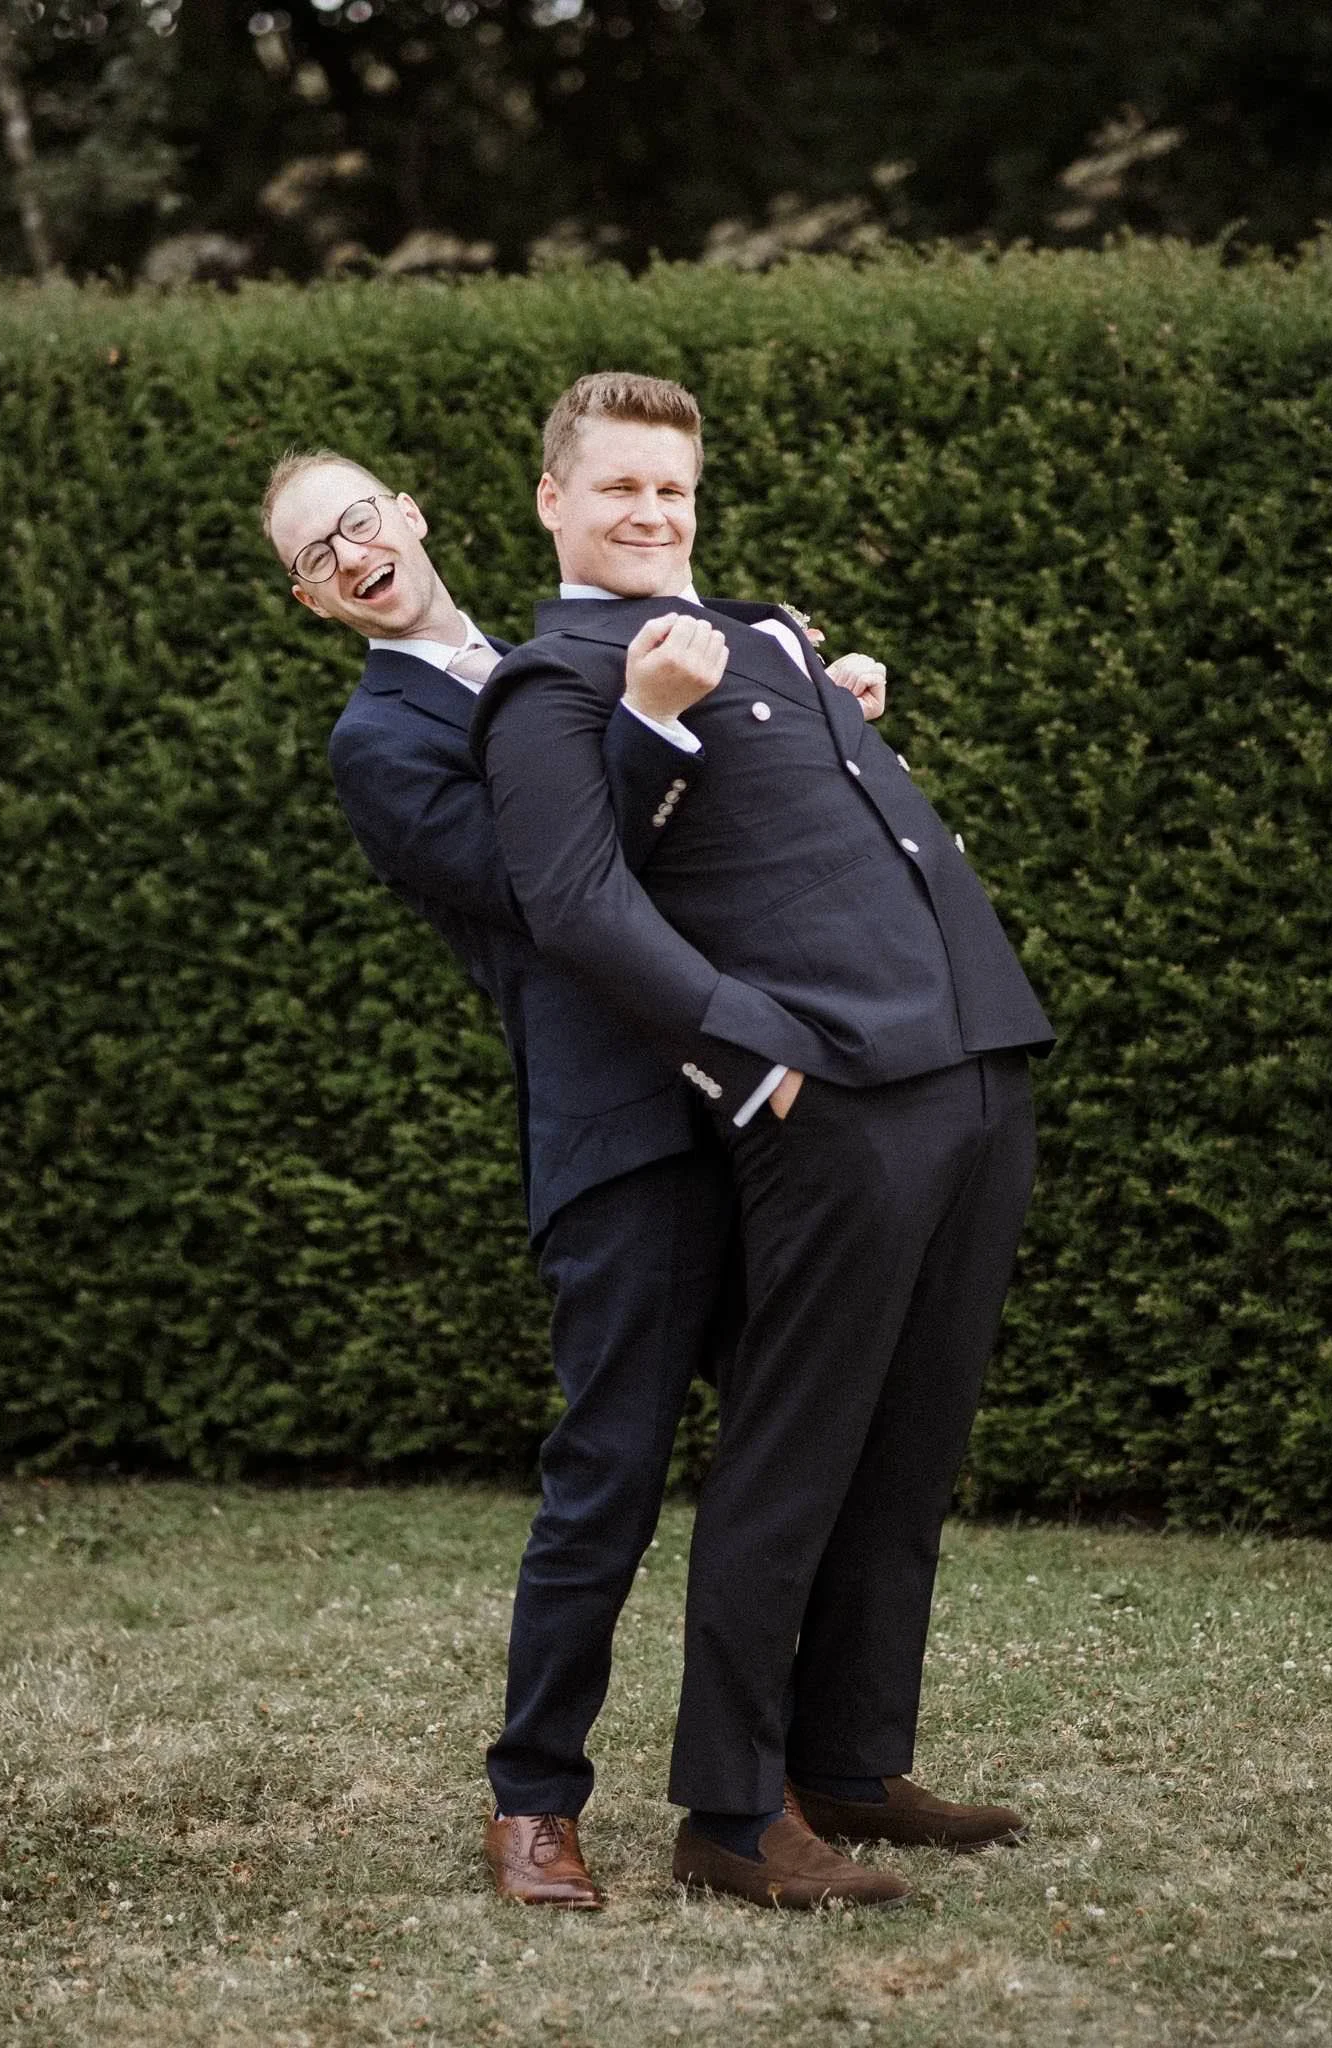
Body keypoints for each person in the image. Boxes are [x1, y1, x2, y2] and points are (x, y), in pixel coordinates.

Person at [260, 447, 889, 1910]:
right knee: (605, 1475)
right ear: (312, 602)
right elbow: (556, 880)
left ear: (410, 514)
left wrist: (813, 707)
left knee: (791, 1459)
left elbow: (723, 818)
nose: (350, 552)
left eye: (359, 518)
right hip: (621, 1128)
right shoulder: (380, 740)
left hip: (762, 1091)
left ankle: (773, 1791)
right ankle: (532, 1803)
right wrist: (656, 719)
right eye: (315, 554)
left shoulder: (575, 646)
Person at [471, 373, 1055, 1911]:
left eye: (672, 488)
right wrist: (753, 1060)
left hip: (974, 1060)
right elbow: (576, 905)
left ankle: (849, 1762)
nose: (652, 513)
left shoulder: (759, 628)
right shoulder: (553, 683)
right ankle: (730, 1814)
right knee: (793, 1457)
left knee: (908, 1446)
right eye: (619, 488)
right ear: (552, 500)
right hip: (835, 1091)